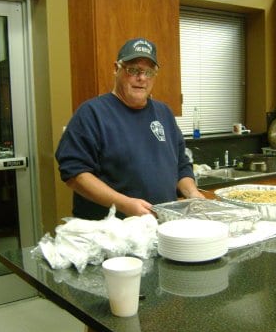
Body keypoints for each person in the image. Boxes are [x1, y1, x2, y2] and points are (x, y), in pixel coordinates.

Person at [56, 37, 204, 220]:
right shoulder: (92, 113)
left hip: (161, 226)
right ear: (116, 69)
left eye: (149, 72)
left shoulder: (163, 112)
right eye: (133, 70)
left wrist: (192, 194)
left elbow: (181, 165)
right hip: (111, 234)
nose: (141, 78)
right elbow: (74, 174)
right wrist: (124, 204)